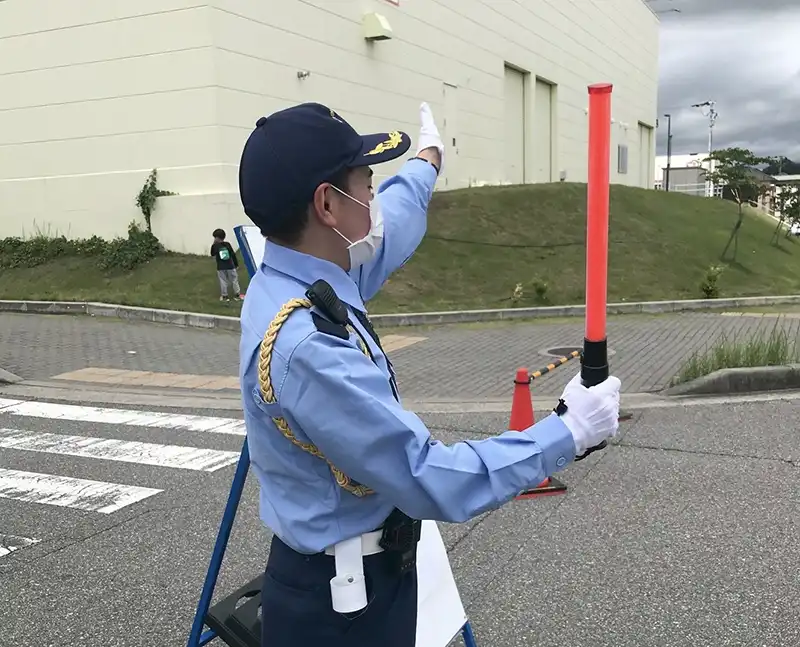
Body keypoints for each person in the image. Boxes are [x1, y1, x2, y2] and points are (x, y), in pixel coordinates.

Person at [237, 101, 622, 647]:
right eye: (365, 181)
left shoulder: (294, 275)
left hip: (351, 581)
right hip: (343, 612)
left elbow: (394, 220)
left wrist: (427, 162)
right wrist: (569, 431)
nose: (373, 195)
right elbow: (426, 476)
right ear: (328, 203)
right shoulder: (308, 348)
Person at [210, 228, 244, 301]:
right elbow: (232, 255)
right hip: (230, 266)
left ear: (216, 238)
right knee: (234, 280)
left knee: (223, 281)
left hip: (221, 267)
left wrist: (214, 244)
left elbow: (212, 254)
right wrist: (236, 264)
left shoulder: (215, 246)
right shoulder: (227, 244)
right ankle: (237, 295)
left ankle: (225, 296)